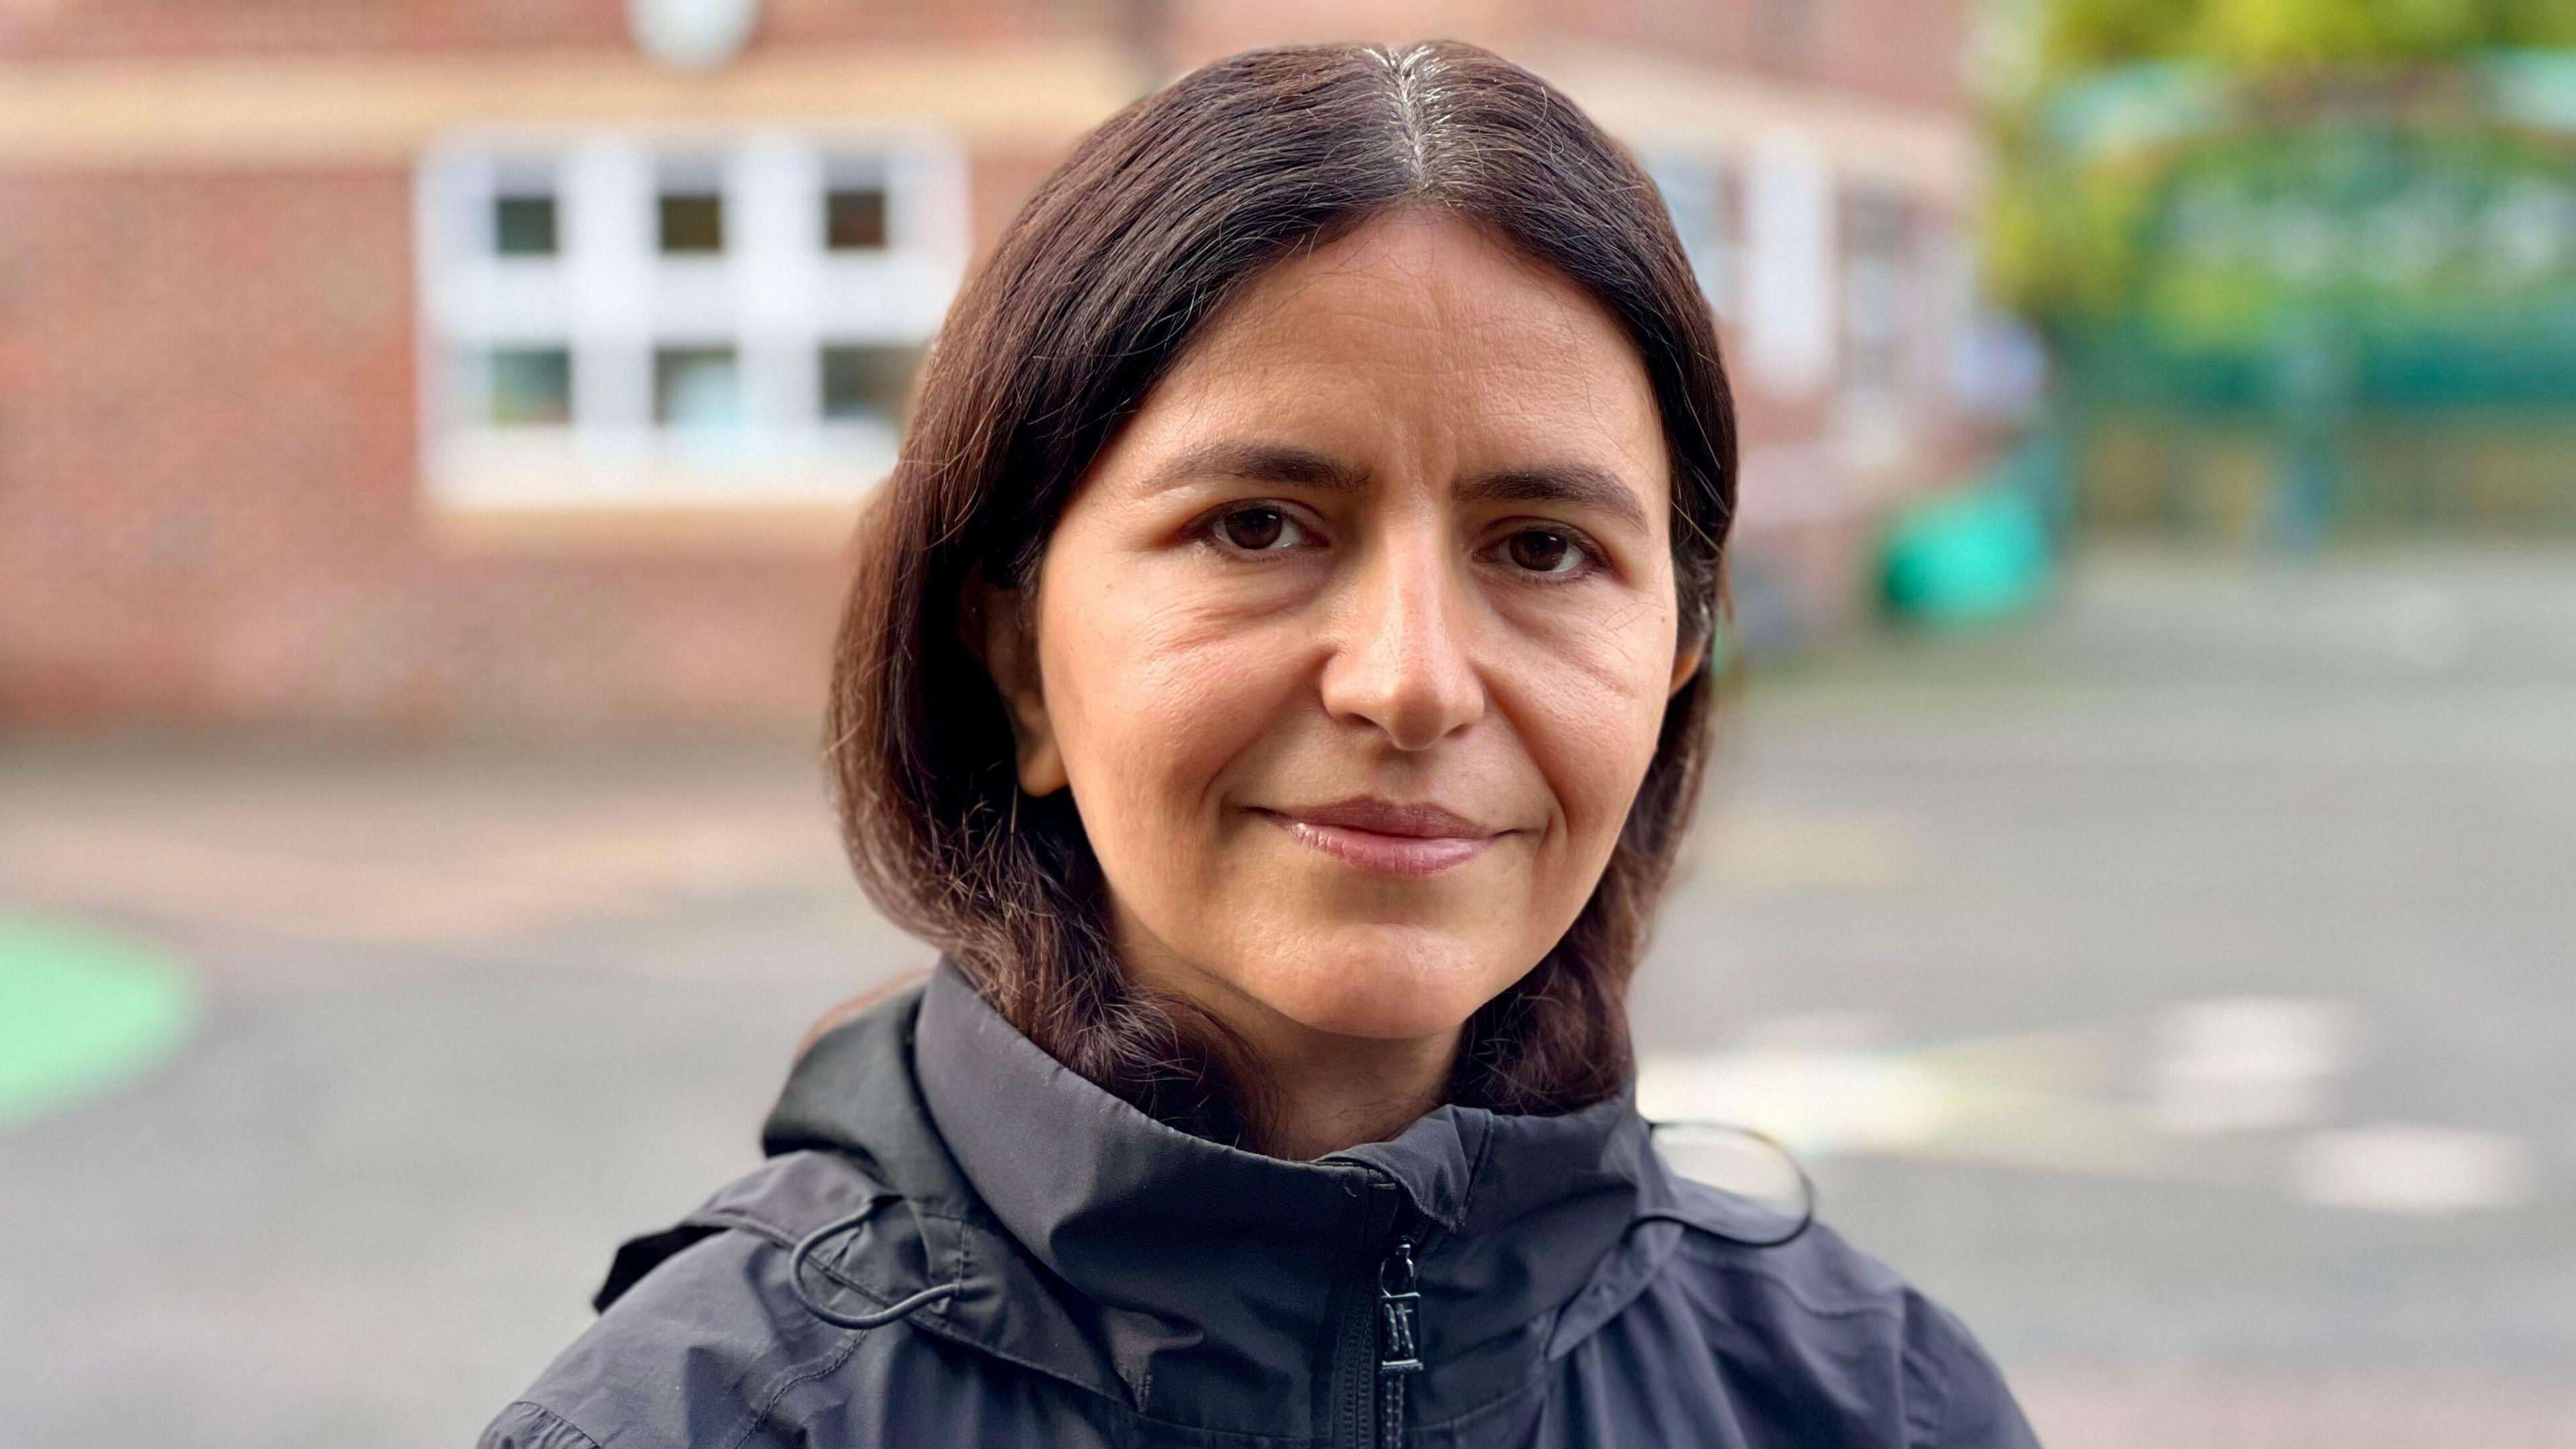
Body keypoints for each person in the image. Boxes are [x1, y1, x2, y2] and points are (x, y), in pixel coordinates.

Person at [480, 39, 2040, 1449]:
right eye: (1258, 525)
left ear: (1679, 657)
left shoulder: (1869, 1407)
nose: (1414, 683)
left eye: (1545, 549)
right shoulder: (692, 1424)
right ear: (1013, 654)